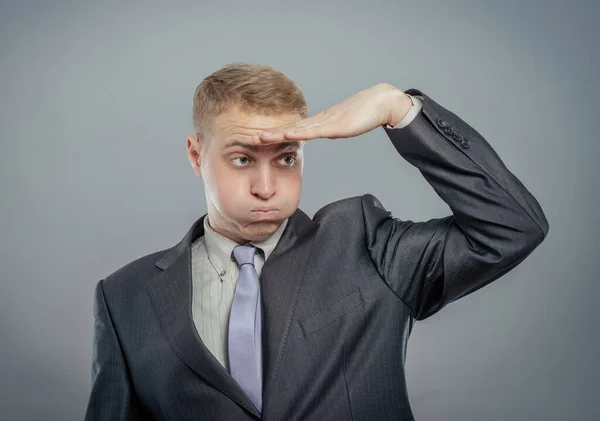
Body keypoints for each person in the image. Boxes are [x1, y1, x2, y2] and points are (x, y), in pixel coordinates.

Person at [84, 63, 549, 421]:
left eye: (286, 158)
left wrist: (398, 109)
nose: (266, 187)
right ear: (196, 154)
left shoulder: (365, 242)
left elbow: (513, 226)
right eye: (243, 158)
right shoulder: (124, 296)